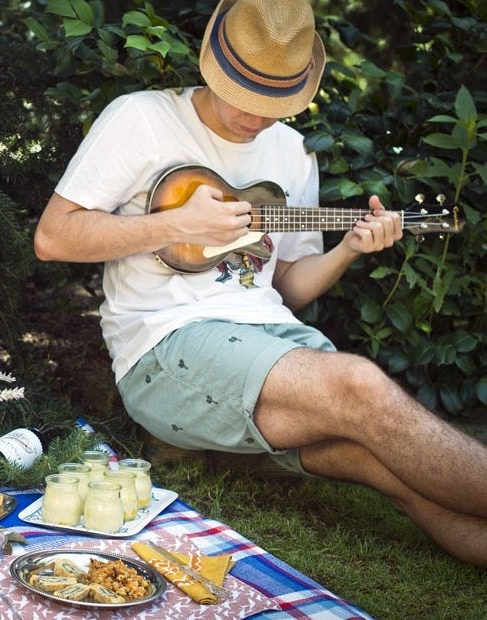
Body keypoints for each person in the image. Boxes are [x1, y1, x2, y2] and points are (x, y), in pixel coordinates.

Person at [33, 0, 487, 566]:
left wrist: (350, 246)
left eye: (273, 104)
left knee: (384, 463)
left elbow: (290, 287)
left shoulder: (292, 151)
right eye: (243, 96)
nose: (254, 117)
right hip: (167, 345)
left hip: (273, 343)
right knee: (358, 384)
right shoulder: (142, 119)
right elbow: (53, 238)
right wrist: (175, 224)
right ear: (213, 67)